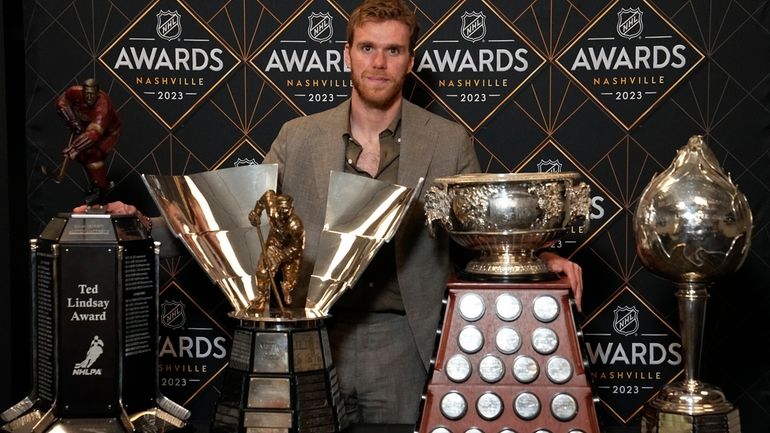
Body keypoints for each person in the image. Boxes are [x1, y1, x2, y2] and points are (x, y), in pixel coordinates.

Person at [76, 0, 583, 425]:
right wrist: (134, 224)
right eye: (367, 48)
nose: (378, 62)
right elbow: (242, 223)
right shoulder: (299, 138)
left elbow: (474, 230)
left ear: (410, 60)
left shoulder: (448, 141)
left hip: (403, 340)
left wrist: (534, 263)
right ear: (347, 55)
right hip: (313, 334)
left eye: (393, 50)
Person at [55, 78, 121, 199]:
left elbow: (94, 134)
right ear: (83, 92)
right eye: (87, 94)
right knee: (83, 157)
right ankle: (97, 182)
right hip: (88, 129)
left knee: (92, 155)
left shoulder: (103, 106)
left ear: (97, 93)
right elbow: (61, 101)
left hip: (108, 133)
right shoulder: (75, 91)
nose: (89, 97)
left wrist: (75, 147)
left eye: (92, 94)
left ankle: (102, 187)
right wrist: (72, 120)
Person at [247, 189, 305, 311]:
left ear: (292, 209)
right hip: (274, 244)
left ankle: (287, 289)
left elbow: (296, 247)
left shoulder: (296, 225)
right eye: (280, 211)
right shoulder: (272, 208)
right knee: (263, 272)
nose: (283, 215)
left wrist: (278, 257)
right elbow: (266, 196)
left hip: (291, 250)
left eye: (286, 211)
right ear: (276, 207)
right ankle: (261, 299)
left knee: (291, 280)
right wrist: (256, 213)